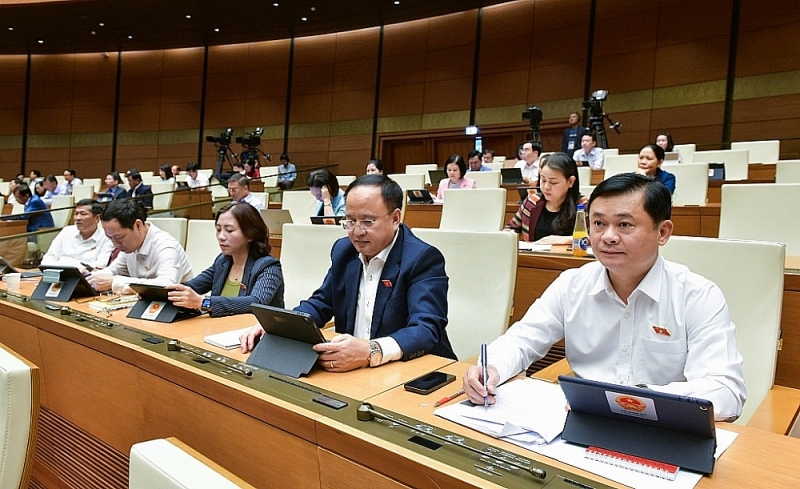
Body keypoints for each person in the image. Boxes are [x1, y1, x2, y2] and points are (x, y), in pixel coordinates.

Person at [464, 173, 746, 421]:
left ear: (662, 232)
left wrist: (631, 401)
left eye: (624, 225)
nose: (608, 237)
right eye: (598, 224)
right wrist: (491, 368)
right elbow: (523, 340)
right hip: (581, 421)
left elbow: (726, 391)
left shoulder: (697, 296)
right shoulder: (572, 284)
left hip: (663, 426)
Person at [240, 175, 457, 370]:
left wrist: (371, 351)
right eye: (350, 221)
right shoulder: (344, 250)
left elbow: (426, 329)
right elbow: (321, 303)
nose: (357, 231)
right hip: (352, 370)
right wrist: (279, 326)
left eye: (368, 221)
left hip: (411, 370)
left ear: (395, 218)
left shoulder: (422, 259)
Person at [167, 202, 284, 317]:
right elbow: (192, 286)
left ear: (250, 234)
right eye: (218, 229)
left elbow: (256, 303)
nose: (221, 237)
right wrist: (162, 292)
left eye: (229, 230)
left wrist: (203, 302)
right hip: (220, 330)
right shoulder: (223, 261)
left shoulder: (269, 266)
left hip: (255, 333)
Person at [87, 199, 193, 294]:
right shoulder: (129, 247)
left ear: (138, 225)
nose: (115, 244)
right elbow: (113, 271)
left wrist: (115, 282)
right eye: (110, 238)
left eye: (119, 237)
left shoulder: (166, 247)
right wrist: (89, 279)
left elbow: (167, 285)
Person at [505, 153, 582, 243]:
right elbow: (511, 228)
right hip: (534, 256)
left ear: (570, 181)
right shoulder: (532, 201)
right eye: (543, 180)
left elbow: (595, 238)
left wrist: (569, 239)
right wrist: (507, 235)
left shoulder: (583, 206)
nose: (546, 187)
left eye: (553, 182)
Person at [41, 199, 114, 273]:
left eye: (83, 214)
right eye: (76, 214)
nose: (78, 218)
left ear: (97, 218)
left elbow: (100, 265)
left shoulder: (106, 237)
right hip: (58, 274)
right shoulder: (66, 231)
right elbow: (48, 258)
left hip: (86, 278)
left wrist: (72, 268)